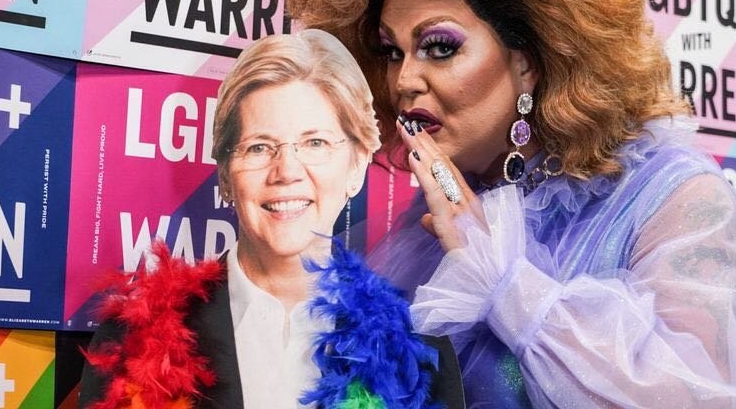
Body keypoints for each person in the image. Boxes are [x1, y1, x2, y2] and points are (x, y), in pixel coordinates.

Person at [286, 0, 736, 408]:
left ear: (529, 60)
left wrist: (504, 282)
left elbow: (690, 397)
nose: (404, 80)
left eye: (438, 46)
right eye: (391, 51)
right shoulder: (436, 221)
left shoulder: (672, 197)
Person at [79, 30, 464, 409]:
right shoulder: (133, 338)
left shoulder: (422, 354)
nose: (286, 171)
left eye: (316, 143)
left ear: (357, 164)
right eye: (259, 147)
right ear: (226, 174)